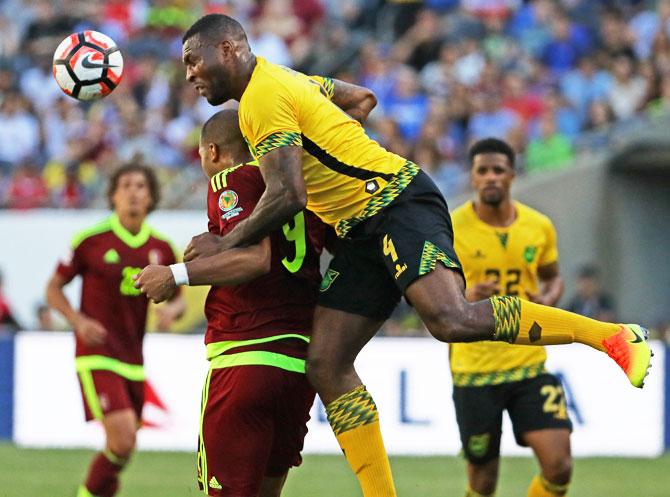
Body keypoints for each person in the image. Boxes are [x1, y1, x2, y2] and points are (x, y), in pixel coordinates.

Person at [179, 14, 652, 497]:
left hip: (395, 198)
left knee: (451, 319)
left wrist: (226, 240)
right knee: (324, 363)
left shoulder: (261, 98)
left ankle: (612, 337)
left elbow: (288, 195)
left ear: (229, 49)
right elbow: (362, 98)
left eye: (194, 60)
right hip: (360, 225)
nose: (190, 74)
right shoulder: (288, 80)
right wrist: (330, 144)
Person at [134, 108, 330, 497]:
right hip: (297, 367)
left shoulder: (233, 178)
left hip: (245, 357)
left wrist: (174, 275)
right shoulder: (298, 191)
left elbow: (255, 259)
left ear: (213, 152)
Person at [45, 163, 185, 497]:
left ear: (150, 196)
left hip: (133, 357)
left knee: (123, 448)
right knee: (122, 440)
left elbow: (179, 299)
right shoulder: (91, 241)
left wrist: (170, 313)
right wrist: (78, 321)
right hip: (96, 353)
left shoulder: (162, 248)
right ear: (113, 196)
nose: (133, 192)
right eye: (125, 186)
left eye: (140, 186)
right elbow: (54, 288)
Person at [450, 138, 572, 497]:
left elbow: (552, 276)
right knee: (483, 481)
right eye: (482, 171)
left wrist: (546, 298)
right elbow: (432, 294)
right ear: (471, 177)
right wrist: (466, 296)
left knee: (559, 466)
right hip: (474, 370)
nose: (491, 177)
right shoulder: (452, 228)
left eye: (498, 170)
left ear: (512, 176)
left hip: (530, 363)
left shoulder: (539, 226)